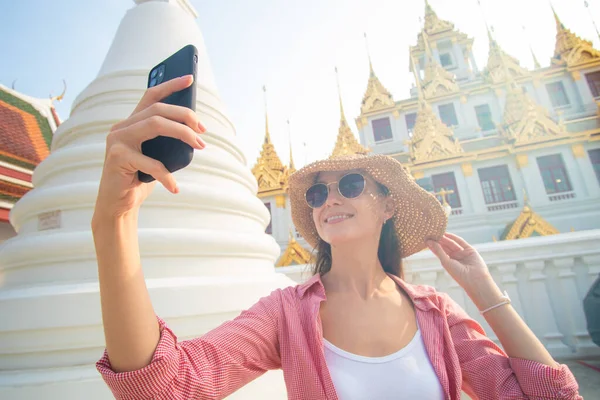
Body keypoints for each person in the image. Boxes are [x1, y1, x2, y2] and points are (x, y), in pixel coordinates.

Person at [93, 76, 581, 400]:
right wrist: (112, 225)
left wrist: (487, 294)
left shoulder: (436, 314)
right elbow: (166, 386)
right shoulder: (286, 313)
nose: (328, 199)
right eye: (317, 193)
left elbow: (551, 396)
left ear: (389, 206)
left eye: (349, 186)